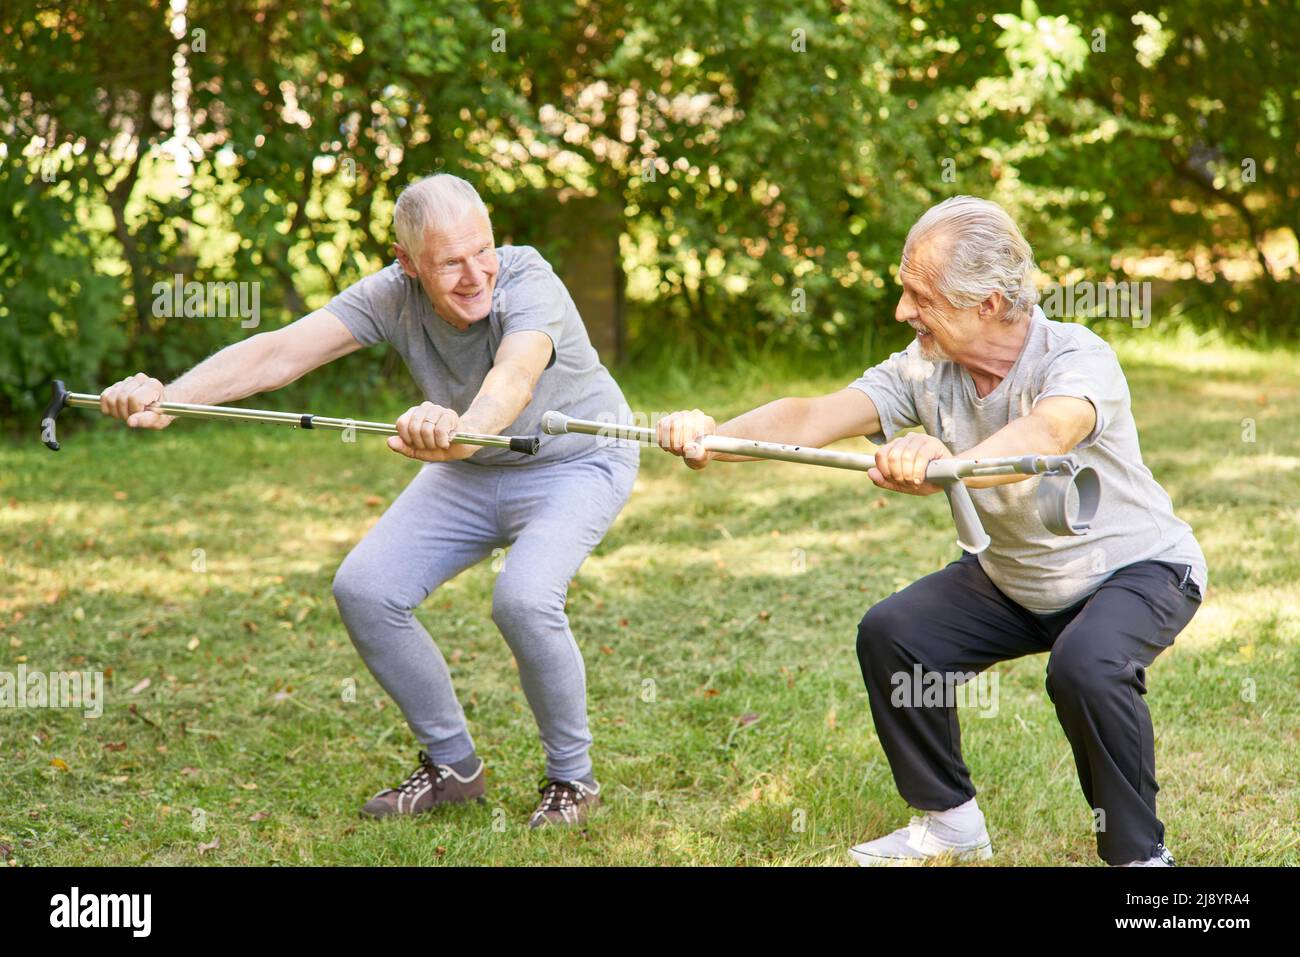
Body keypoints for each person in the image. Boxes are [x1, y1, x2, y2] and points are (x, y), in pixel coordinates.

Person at [655, 196, 1206, 866]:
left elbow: (1047, 432)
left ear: (988, 304)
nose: (902, 311)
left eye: (920, 294)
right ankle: (950, 821)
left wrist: (947, 465)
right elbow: (810, 417)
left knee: (1086, 665)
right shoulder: (922, 370)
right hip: (1017, 580)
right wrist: (711, 435)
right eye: (904, 290)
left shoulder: (1076, 357)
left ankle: (1139, 857)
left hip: (1138, 571)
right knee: (896, 634)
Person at [96, 173, 638, 828]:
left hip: (575, 461)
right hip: (470, 466)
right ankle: (453, 768)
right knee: (365, 587)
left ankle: (572, 780)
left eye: (482, 251)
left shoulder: (530, 281)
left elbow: (513, 379)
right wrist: (171, 398)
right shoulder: (393, 295)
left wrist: (460, 433)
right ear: (408, 264)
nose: (475, 276)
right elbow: (280, 352)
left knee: (522, 598)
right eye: (449, 262)